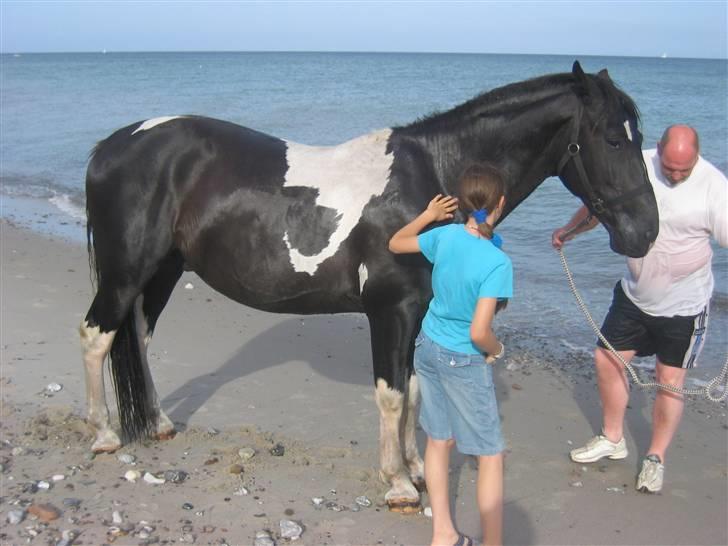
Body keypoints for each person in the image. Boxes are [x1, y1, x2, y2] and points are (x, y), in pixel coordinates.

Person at [552, 124, 728, 493]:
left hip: (685, 306)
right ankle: (613, 437)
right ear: (659, 149)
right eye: (670, 167)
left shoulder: (715, 187)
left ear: (697, 155)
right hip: (635, 295)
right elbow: (598, 205)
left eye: (685, 168)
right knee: (607, 359)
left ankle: (655, 457)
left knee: (669, 380)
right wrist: (569, 230)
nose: (677, 174)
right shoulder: (637, 166)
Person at [389, 163, 512, 546]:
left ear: (459, 205)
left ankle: (443, 534)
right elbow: (480, 331)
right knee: (490, 454)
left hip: (427, 346)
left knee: (439, 440)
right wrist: (497, 349)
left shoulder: (445, 235)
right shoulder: (497, 262)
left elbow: (396, 243)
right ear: (501, 204)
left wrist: (427, 215)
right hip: (462, 357)